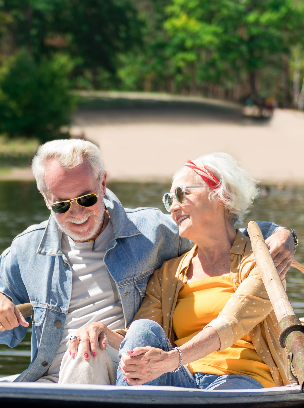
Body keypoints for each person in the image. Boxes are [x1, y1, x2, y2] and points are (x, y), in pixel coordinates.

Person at [0, 139, 295, 384]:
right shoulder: (27, 249)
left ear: (103, 184)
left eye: (86, 199)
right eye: (61, 205)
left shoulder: (153, 231)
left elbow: (226, 234)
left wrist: (283, 235)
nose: (76, 213)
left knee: (88, 352)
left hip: (111, 366)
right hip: (52, 378)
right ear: (46, 201)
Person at [67, 152, 289, 390]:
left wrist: (173, 359)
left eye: (182, 194)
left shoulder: (261, 264)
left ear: (221, 195)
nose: (173, 207)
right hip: (182, 378)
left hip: (240, 379)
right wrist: (102, 332)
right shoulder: (169, 274)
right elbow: (135, 340)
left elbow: (230, 324)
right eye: (169, 199)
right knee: (142, 328)